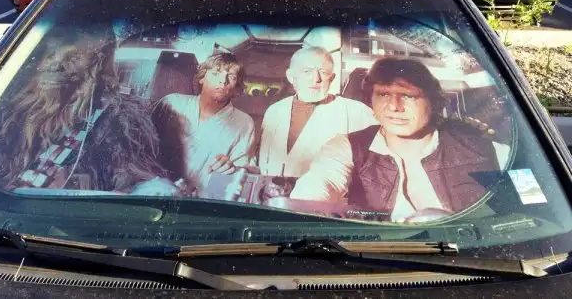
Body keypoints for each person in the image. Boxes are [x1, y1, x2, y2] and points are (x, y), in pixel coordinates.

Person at [291, 57, 505, 223]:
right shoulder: (347, 147)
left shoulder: (486, 148)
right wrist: (305, 207)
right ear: (370, 100)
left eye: (408, 96)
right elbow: (318, 186)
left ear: (432, 101)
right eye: (383, 95)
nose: (394, 106)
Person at [0, 26, 171, 193]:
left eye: (73, 57)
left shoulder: (116, 118)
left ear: (100, 64)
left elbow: (132, 177)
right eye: (50, 53)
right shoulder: (2, 107)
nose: (55, 64)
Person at [257, 46, 375, 177]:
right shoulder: (274, 111)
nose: (316, 79)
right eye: (307, 71)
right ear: (291, 76)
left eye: (323, 72)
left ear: (332, 77)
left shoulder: (358, 113)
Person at [151, 52, 256, 196]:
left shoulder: (244, 123)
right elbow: (143, 147)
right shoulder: (173, 103)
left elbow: (244, 171)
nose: (223, 81)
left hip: (205, 199)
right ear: (201, 78)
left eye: (231, 77)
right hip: (157, 193)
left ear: (236, 87)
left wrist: (231, 167)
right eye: (216, 73)